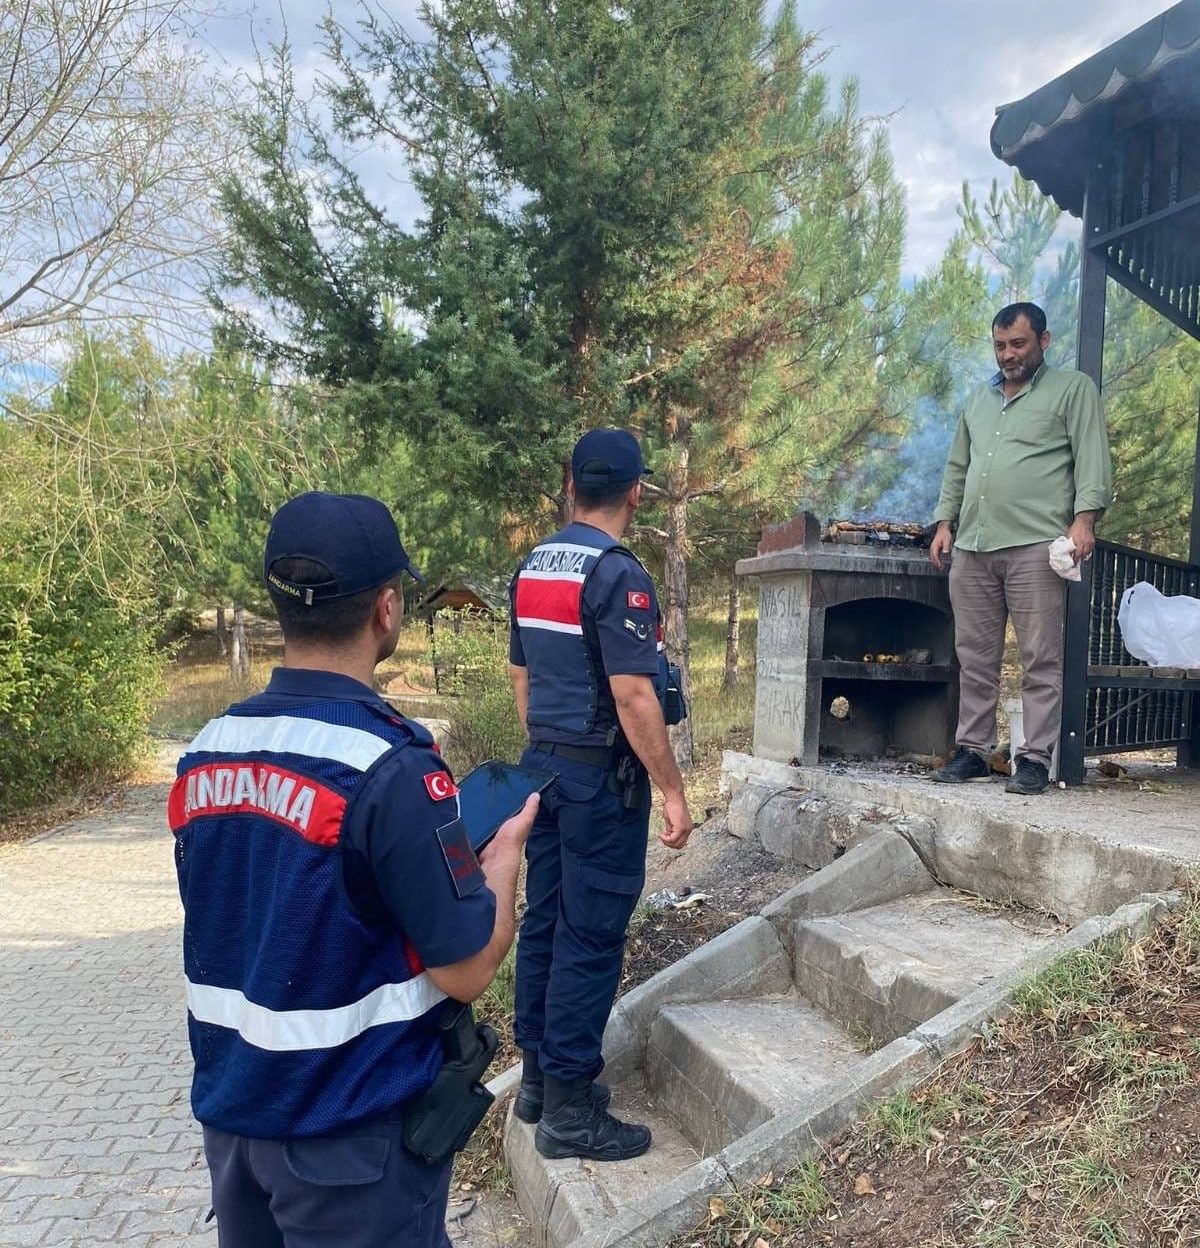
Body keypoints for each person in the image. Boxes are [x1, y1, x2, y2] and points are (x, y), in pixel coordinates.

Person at [168, 491, 537, 1248]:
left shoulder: (206, 750)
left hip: (235, 1131)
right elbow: (465, 969)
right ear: (388, 608)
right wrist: (502, 864)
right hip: (348, 1152)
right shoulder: (392, 765)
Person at [508, 429, 693, 1161]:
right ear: (635, 492)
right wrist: (671, 788)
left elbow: (523, 683)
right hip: (596, 784)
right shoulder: (618, 574)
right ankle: (571, 1115)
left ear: (573, 486)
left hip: (542, 770)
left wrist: (549, 751)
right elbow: (633, 695)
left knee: (546, 925)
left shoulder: (534, 565)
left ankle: (537, 1085)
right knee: (589, 940)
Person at [930, 302, 1112, 795]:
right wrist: (945, 521)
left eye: (1018, 344)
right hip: (973, 544)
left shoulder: (1072, 389)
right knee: (974, 656)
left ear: (1044, 341)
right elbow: (958, 466)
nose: (1008, 355)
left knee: (1040, 657)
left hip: (1036, 543)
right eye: (1000, 346)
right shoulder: (978, 400)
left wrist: (1084, 519)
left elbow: (1092, 455)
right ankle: (972, 751)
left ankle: (1032, 758)